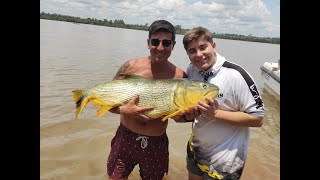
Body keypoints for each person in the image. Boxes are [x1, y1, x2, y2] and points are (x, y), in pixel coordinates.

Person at [106, 20, 189, 180]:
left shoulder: (180, 77)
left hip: (156, 143)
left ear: (173, 45)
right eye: (155, 41)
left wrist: (187, 115)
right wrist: (124, 110)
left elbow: (179, 119)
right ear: (148, 42)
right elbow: (107, 102)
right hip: (125, 138)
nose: (160, 48)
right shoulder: (129, 67)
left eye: (166, 43)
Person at [182, 27, 265, 179]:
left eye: (202, 47)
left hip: (225, 163)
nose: (199, 55)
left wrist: (215, 114)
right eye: (192, 51)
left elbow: (258, 119)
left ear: (213, 46)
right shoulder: (192, 70)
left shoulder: (236, 75)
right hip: (196, 150)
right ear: (187, 54)